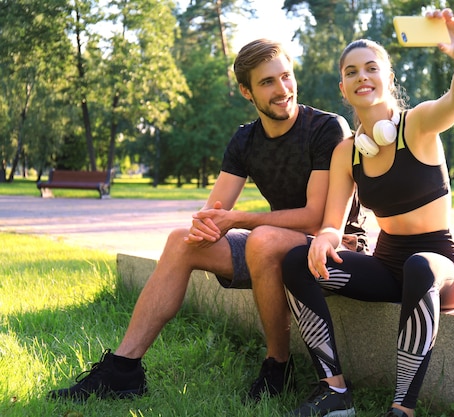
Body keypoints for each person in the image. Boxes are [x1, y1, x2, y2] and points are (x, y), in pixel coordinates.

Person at [47, 38, 367, 403]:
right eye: (267, 83)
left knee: (261, 238)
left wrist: (240, 219)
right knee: (181, 240)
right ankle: (124, 369)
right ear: (247, 91)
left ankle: (278, 367)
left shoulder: (326, 128)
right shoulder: (245, 139)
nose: (283, 90)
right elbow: (214, 211)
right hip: (274, 244)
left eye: (286, 77)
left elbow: (315, 220)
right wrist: (205, 225)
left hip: (335, 248)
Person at [281, 8, 454, 417]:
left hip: (440, 270)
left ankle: (401, 409)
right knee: (297, 260)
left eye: (371, 68)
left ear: (388, 78)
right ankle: (334, 390)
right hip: (388, 268)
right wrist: (324, 239)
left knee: (420, 266)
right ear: (343, 87)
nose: (362, 77)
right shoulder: (346, 151)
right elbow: (333, 221)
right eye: (351, 72)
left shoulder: (418, 124)